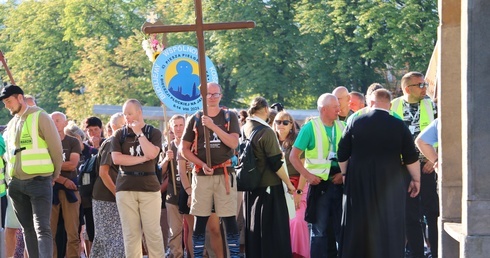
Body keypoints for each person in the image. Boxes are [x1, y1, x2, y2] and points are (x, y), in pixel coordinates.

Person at [337, 89, 421, 258]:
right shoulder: (399, 125)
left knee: (358, 221)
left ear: (370, 103)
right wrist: (416, 179)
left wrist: (346, 175)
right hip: (390, 181)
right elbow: (411, 156)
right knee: (389, 220)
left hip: (359, 181)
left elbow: (342, 153)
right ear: (389, 105)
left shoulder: (355, 122)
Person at [1, 85, 63, 258]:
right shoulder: (12, 124)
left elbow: (56, 149)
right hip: (16, 185)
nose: (6, 106)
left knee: (42, 228)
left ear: (20, 98)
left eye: (8, 101)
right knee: (27, 229)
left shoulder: (41, 117)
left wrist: (54, 175)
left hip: (39, 181)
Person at [180, 82, 241, 257]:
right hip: (202, 175)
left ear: (221, 96)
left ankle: (234, 255)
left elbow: (234, 143)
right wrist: (200, 163)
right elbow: (183, 150)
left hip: (225, 175)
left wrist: (213, 126)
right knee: (200, 220)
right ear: (202, 96)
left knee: (229, 220)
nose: (213, 97)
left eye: (216, 94)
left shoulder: (230, 117)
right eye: (209, 94)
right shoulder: (195, 118)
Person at [290, 93, 345, 258]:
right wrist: (307, 176)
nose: (339, 110)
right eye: (335, 107)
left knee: (341, 229)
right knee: (319, 230)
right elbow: (294, 156)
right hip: (319, 184)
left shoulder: (343, 126)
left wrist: (343, 174)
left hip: (339, 181)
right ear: (323, 109)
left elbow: (352, 155)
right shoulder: (310, 128)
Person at [390, 72, 438, 258]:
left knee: (432, 211)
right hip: (403, 168)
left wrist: (433, 159)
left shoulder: (431, 105)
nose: (424, 87)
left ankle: (435, 252)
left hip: (427, 166)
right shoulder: (393, 107)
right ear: (407, 88)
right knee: (410, 214)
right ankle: (416, 253)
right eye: (420, 84)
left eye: (424, 83)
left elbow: (443, 134)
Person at [111, 99, 165, 258]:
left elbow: (152, 154)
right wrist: (143, 159)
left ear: (139, 112)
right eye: (124, 113)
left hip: (149, 188)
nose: (126, 117)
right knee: (131, 235)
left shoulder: (153, 132)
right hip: (125, 187)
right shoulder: (119, 134)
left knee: (152, 233)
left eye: (130, 113)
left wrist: (139, 133)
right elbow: (117, 159)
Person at [272, 110, 308, 258]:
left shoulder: (297, 141)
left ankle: (298, 254)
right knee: (280, 224)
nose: (281, 125)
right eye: (278, 122)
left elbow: (304, 168)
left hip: (297, 186)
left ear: (291, 125)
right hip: (276, 188)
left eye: (285, 122)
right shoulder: (270, 140)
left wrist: (299, 192)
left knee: (298, 222)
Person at [90, 112, 126, 257]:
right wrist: (118, 195)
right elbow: (103, 173)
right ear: (119, 126)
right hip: (106, 198)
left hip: (112, 197)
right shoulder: (112, 142)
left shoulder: (121, 143)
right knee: (112, 240)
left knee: (109, 240)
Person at [50, 111, 82, 258]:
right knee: (48, 234)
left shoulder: (72, 141)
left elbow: (72, 165)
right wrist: (63, 180)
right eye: (52, 120)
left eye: (58, 120)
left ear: (65, 123)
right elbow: (42, 166)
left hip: (71, 190)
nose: (54, 123)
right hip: (50, 189)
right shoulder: (44, 142)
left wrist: (52, 165)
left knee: (73, 233)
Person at [161, 114, 186, 258]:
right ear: (170, 127)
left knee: (195, 230)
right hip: (173, 194)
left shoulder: (192, 145)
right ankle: (177, 255)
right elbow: (160, 171)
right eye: (175, 125)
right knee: (175, 231)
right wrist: (166, 159)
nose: (178, 128)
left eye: (181, 125)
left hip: (191, 193)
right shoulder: (167, 147)